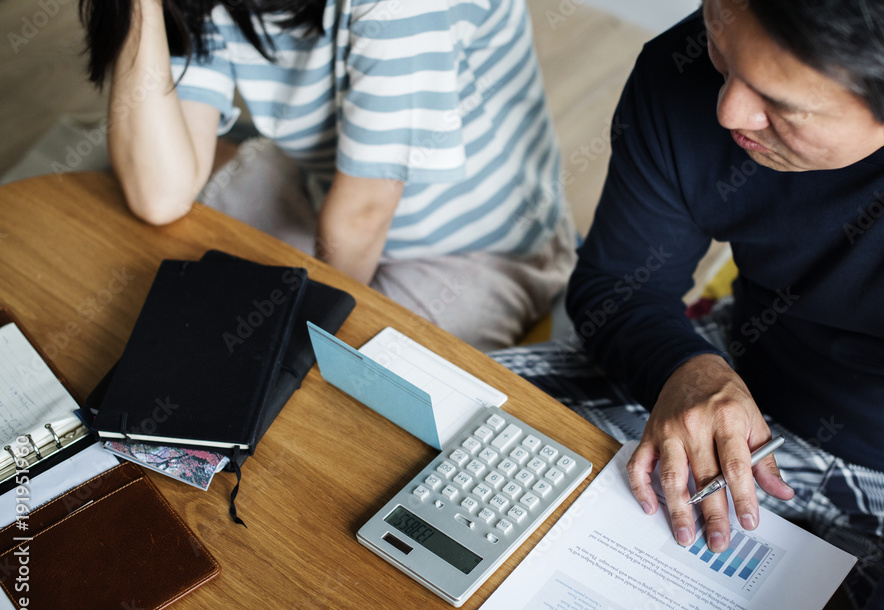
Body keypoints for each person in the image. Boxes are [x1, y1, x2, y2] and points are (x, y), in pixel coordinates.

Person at [511, 0, 884, 610]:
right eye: (718, 40)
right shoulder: (687, 68)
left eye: (781, 103)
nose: (729, 112)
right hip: (731, 369)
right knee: (460, 430)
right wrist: (686, 369)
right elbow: (617, 288)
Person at [79, 0, 575, 351]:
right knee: (160, 272)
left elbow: (362, 214)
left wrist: (291, 344)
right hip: (326, 194)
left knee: (338, 391)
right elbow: (160, 194)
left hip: (479, 247)